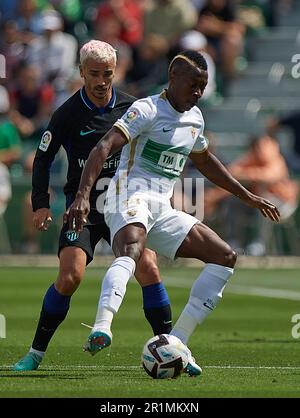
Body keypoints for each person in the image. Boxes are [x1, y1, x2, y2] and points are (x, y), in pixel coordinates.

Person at [66, 49, 280, 376]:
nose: (198, 92)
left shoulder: (195, 119)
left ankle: (176, 342)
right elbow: (104, 146)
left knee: (225, 257)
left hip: (162, 208)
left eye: (203, 86)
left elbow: (206, 161)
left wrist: (246, 195)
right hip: (128, 196)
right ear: (173, 78)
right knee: (133, 251)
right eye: (193, 84)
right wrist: (82, 196)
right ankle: (102, 326)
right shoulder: (147, 110)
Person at [13, 40, 173, 372]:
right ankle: (35, 353)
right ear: (82, 73)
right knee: (70, 277)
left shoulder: (133, 108)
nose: (102, 82)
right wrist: (41, 204)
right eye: (95, 74)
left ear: (116, 72)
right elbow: (43, 159)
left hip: (126, 205)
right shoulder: (67, 113)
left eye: (108, 74)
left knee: (149, 270)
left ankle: (173, 350)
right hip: (81, 207)